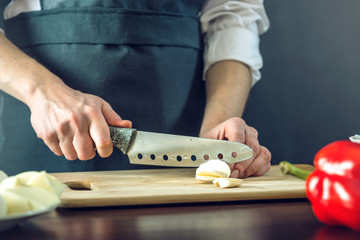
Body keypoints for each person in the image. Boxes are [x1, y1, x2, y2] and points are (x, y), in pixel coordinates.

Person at [0, 0, 271, 177]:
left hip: (184, 123)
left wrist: (216, 136)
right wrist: (43, 93)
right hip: (39, 127)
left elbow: (235, 14)